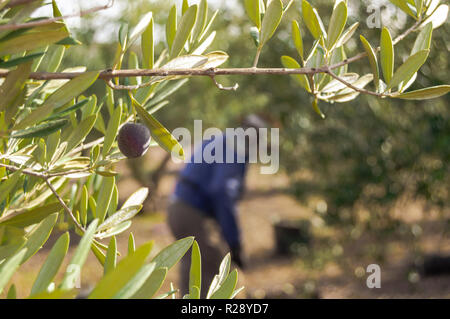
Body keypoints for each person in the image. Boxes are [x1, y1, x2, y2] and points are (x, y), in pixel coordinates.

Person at [167, 115, 267, 298]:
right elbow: (222, 192)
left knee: (194, 266)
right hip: (190, 212)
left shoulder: (221, 139)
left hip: (178, 208)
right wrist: (234, 243)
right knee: (213, 268)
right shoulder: (234, 147)